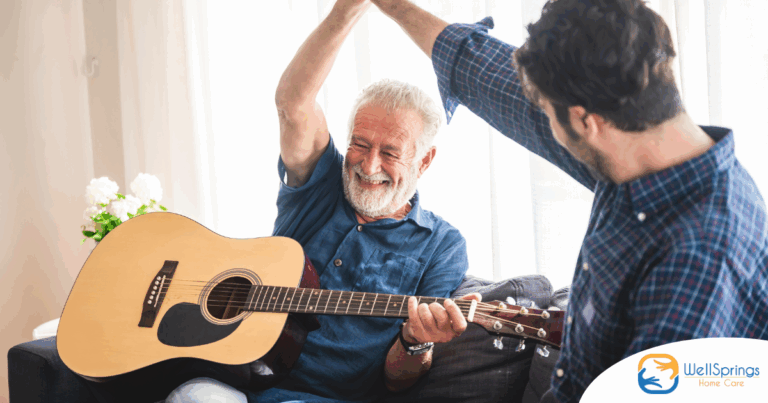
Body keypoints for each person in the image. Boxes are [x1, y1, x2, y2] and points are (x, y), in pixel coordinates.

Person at [370, 0, 768, 401]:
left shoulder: (700, 259)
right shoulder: (636, 141)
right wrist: (393, 6)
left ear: (584, 122)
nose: (542, 120)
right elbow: (486, 74)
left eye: (547, 111)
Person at [166, 1, 479, 402]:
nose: (369, 165)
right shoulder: (322, 181)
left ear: (425, 160)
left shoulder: (442, 245)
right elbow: (293, 106)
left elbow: (399, 381)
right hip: (230, 378)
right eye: (360, 144)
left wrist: (417, 342)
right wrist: (346, 10)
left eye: (390, 153)